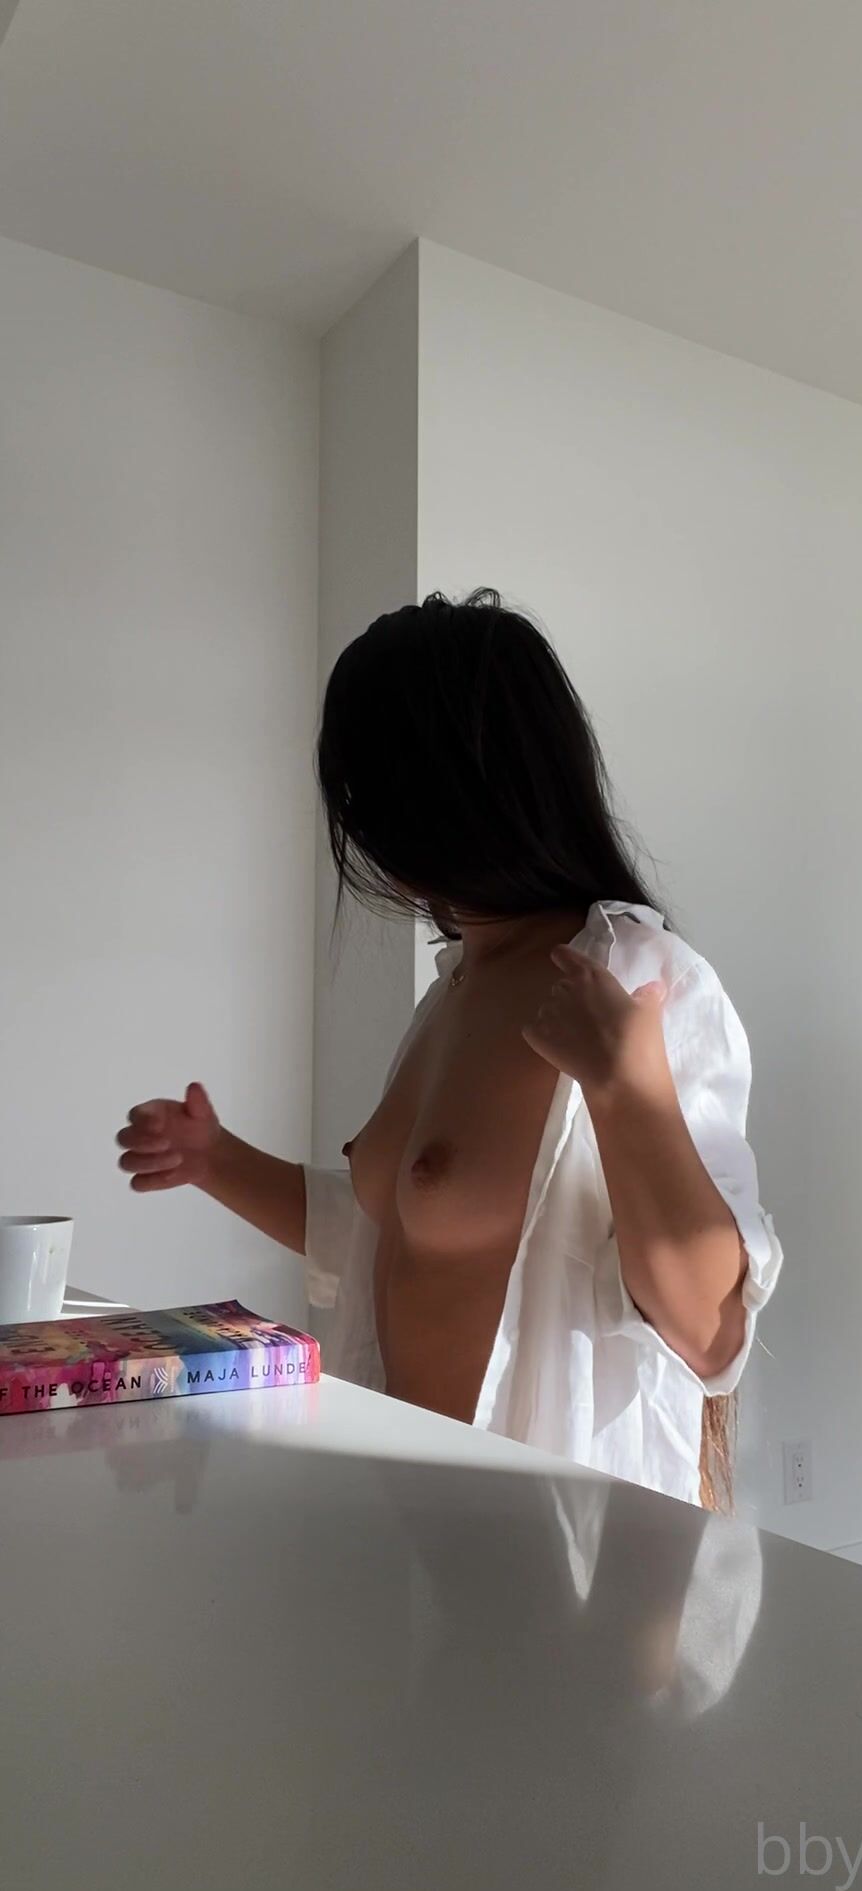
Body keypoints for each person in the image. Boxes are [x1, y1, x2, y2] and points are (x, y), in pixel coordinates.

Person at [116, 590, 782, 1509]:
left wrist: (630, 1090)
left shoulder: (635, 974)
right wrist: (213, 1158)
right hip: (410, 1525)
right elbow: (383, 1231)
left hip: (558, 1548)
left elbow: (712, 1334)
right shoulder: (454, 986)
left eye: (373, 793)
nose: (364, 828)